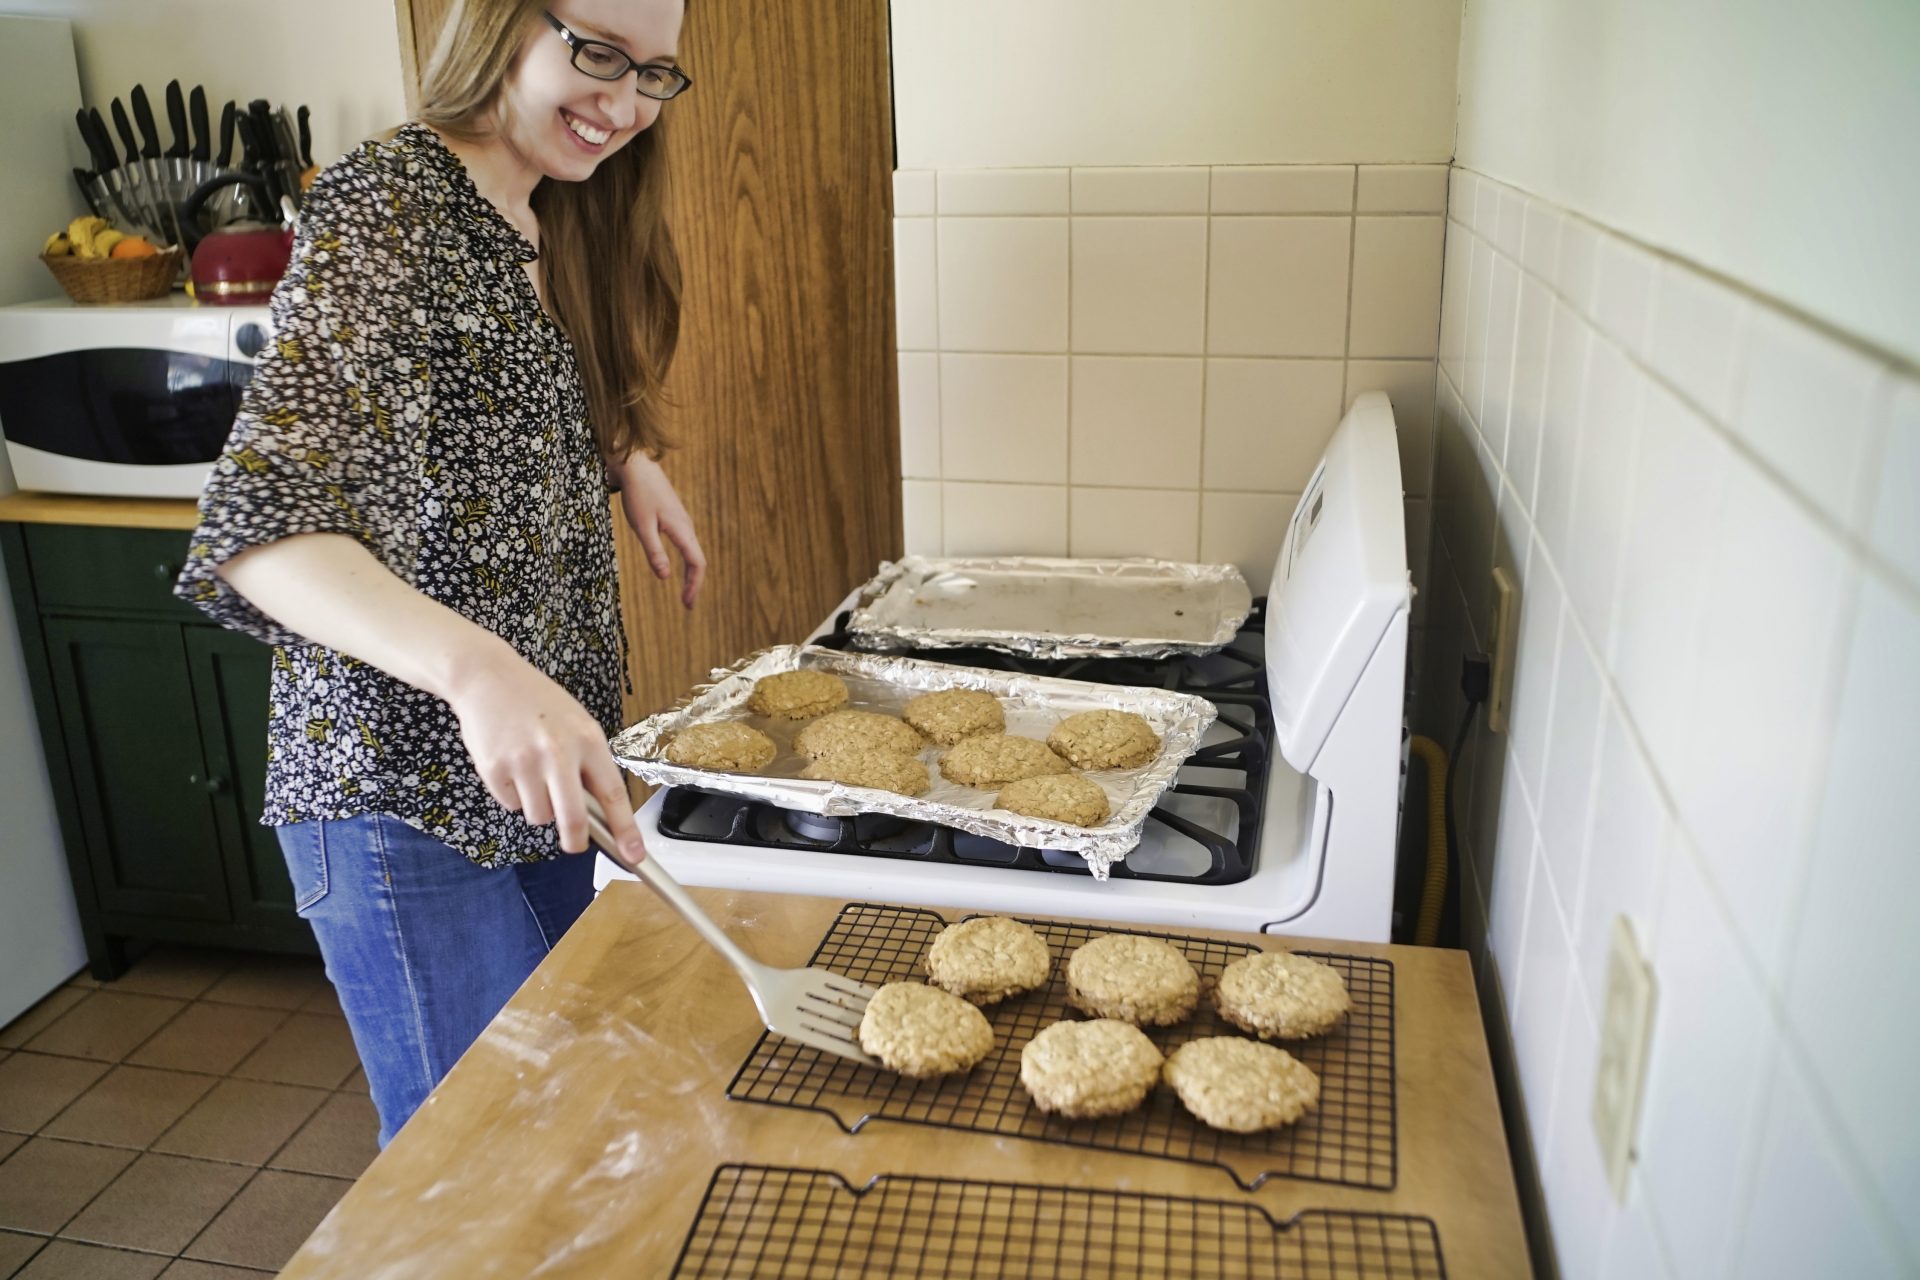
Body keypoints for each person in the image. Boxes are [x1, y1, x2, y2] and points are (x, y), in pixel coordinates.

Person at [175, 0, 702, 1147]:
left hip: (542, 775)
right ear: (506, 21)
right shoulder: (389, 201)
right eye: (596, 53)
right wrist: (480, 671)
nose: (622, 105)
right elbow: (264, 527)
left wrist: (628, 457)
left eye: (655, 73)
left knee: (559, 1134)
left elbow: (493, 397)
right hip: (403, 796)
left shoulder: (549, 208)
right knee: (475, 1164)